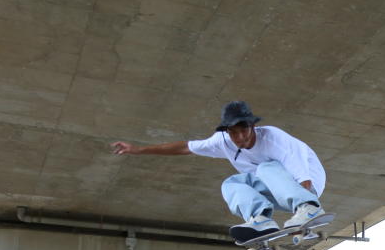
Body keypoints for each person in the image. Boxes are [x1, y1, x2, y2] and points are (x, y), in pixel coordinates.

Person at [110, 101, 327, 239]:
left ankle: (307, 208)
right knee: (232, 183)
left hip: (308, 185)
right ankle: (261, 219)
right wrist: (138, 150)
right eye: (234, 133)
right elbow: (186, 147)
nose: (240, 138)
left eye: (244, 131)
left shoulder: (274, 139)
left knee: (265, 167)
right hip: (277, 189)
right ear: (227, 132)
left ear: (252, 126)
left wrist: (306, 214)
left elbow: (303, 176)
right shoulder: (221, 141)